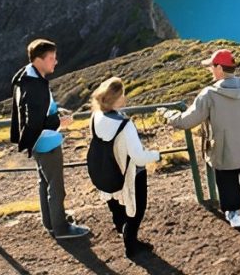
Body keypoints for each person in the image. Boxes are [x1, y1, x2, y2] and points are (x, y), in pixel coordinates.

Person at [162, 49, 240, 228]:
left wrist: (167, 114)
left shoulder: (209, 94)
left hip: (222, 149)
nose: (210, 69)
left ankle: (233, 215)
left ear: (219, 68)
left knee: (226, 180)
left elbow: (186, 122)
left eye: (211, 66)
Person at [9, 38, 90, 239]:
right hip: (46, 143)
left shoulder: (27, 76)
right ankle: (62, 229)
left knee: (44, 183)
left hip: (37, 142)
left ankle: (52, 223)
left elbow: (39, 110)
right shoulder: (35, 85)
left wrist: (56, 110)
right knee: (56, 188)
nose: (56, 61)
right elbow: (34, 121)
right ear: (38, 60)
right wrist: (58, 122)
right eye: (52, 58)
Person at [90, 77, 160, 259]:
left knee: (116, 206)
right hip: (129, 174)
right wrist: (155, 155)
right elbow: (137, 157)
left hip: (107, 171)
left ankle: (122, 228)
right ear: (117, 98)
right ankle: (131, 244)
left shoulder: (95, 116)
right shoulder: (125, 125)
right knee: (137, 208)